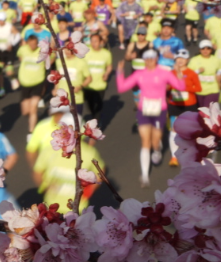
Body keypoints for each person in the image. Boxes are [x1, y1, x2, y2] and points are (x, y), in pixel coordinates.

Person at [115, 49, 186, 188]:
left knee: (155, 141)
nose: (149, 60)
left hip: (159, 110)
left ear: (156, 59)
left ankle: (158, 150)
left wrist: (178, 73)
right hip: (144, 110)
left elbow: (180, 86)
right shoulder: (139, 73)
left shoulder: (164, 72)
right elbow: (122, 87)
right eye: (146, 58)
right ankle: (145, 175)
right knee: (145, 141)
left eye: (152, 58)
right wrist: (119, 72)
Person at [33, 111, 102, 213]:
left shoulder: (89, 153)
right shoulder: (49, 150)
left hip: (78, 208)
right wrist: (44, 187)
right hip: (52, 207)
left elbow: (100, 173)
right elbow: (37, 172)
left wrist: (88, 191)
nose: (64, 136)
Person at [166, 49, 202, 167]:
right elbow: (166, 88)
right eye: (178, 58)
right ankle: (174, 156)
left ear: (187, 60)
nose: (180, 60)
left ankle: (190, 154)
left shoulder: (192, 73)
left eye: (183, 58)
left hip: (189, 105)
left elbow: (198, 88)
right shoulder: (171, 73)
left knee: (189, 130)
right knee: (173, 130)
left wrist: (185, 88)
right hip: (174, 105)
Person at [16, 33, 48, 132]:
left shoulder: (42, 51)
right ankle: (34, 116)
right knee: (25, 112)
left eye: (35, 44)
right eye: (31, 44)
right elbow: (20, 58)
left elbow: (49, 62)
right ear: (27, 43)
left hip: (38, 82)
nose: (33, 46)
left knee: (33, 108)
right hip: (25, 83)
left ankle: (31, 132)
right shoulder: (22, 49)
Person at [82, 31, 113, 121]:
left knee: (98, 105)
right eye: (92, 41)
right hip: (88, 85)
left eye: (96, 41)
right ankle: (94, 116)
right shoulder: (86, 53)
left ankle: (96, 123)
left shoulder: (106, 54)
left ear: (100, 42)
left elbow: (109, 66)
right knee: (90, 105)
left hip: (100, 84)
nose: (93, 43)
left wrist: (106, 73)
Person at [188, 39, 221, 109]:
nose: (205, 50)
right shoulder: (194, 60)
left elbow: (220, 69)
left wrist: (219, 74)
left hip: (212, 90)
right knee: (200, 111)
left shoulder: (215, 59)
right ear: (199, 50)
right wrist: (198, 71)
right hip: (198, 90)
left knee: (207, 111)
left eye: (208, 48)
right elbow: (188, 74)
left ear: (211, 50)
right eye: (203, 48)